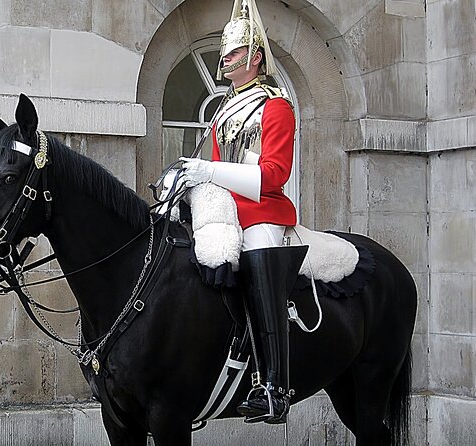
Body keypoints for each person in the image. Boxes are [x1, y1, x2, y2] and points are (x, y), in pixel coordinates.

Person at [180, 0, 308, 424]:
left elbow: (273, 175)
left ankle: (274, 386)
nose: (225, 58)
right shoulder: (222, 111)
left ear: (255, 56)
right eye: (224, 51)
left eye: (234, 52)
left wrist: (211, 169)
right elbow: (214, 172)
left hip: (264, 213)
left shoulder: (276, 106)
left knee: (259, 259)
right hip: (224, 214)